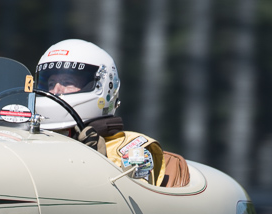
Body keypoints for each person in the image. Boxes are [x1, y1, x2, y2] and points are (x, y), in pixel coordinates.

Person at [32, 38, 188, 188]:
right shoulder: (31, 137)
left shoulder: (133, 147)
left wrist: (100, 163)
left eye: (68, 82)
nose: (56, 90)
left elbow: (135, 203)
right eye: (50, 83)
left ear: (103, 85)